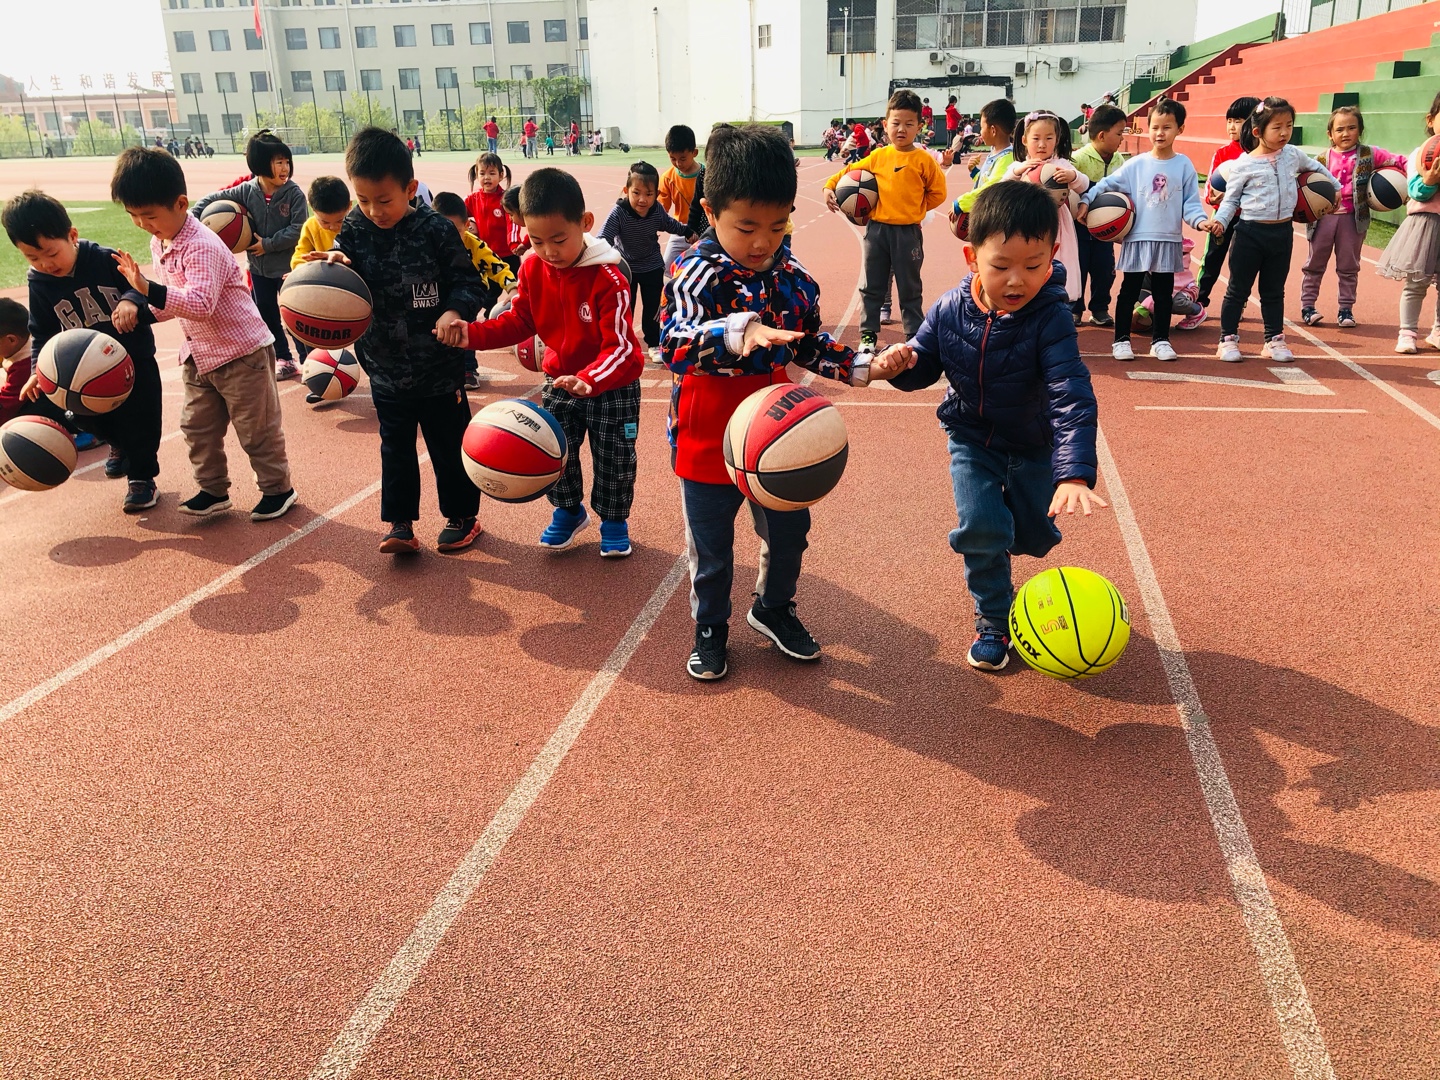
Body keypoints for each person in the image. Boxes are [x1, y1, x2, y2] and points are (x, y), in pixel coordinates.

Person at [663, 123, 908, 681]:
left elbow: (811, 344)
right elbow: (673, 342)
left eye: (778, 226)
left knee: (789, 534)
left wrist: (865, 366)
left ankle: (772, 607)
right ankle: (710, 626)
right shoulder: (693, 271)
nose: (762, 242)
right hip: (706, 436)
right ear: (711, 211)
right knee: (711, 548)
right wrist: (737, 332)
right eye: (746, 227)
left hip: (776, 435)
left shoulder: (794, 278)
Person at [877, 181, 1104, 672]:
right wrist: (900, 365)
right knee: (982, 529)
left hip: (1033, 444)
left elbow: (1070, 392)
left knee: (1031, 537)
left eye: (1033, 265)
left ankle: (1014, 540)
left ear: (1053, 257)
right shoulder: (949, 308)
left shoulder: (1052, 318)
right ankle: (995, 621)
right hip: (972, 437)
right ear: (971, 258)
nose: (1016, 280)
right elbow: (922, 363)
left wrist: (1073, 473)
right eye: (1001, 266)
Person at [442, 167, 644, 558]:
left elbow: (620, 347)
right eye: (537, 240)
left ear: (585, 223)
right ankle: (568, 512)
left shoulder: (609, 277)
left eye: (558, 239)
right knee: (553, 450)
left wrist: (590, 379)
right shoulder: (533, 267)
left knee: (616, 458)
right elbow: (520, 320)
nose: (549, 250)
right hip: (560, 380)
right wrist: (473, 334)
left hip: (612, 384)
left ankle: (614, 521)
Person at [305, 127, 485, 554]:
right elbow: (344, 263)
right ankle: (399, 524)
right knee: (396, 448)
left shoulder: (436, 229)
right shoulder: (355, 227)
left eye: (384, 200)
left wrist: (454, 310)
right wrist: (337, 262)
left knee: (448, 447)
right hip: (384, 366)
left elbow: (470, 283)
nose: (374, 211)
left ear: (409, 188)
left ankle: (463, 517)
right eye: (363, 200)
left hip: (439, 368)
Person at [109, 146, 297, 522]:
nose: (142, 224)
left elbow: (199, 304)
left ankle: (278, 490)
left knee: (256, 430)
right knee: (196, 427)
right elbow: (174, 302)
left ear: (181, 204)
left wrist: (146, 289)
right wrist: (139, 313)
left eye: (150, 215)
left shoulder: (202, 245)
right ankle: (213, 489)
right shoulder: (160, 241)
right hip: (200, 355)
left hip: (242, 353)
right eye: (133, 215)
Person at [2, 191, 165, 509]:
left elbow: (138, 286)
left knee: (142, 424)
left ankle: (142, 479)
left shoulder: (104, 259)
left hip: (133, 361)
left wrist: (130, 300)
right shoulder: (40, 282)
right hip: (80, 372)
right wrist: (37, 370)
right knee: (83, 416)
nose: (45, 264)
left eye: (51, 253)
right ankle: (116, 444)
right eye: (33, 258)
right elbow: (42, 332)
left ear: (72, 236)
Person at [1078, 99, 1221, 362]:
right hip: (1138, 239)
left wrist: (1201, 222)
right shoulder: (1136, 164)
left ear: (1180, 129)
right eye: (1155, 127)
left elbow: (1190, 204)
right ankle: (1121, 340)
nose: (1159, 133)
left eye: (1167, 127)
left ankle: (1161, 341)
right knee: (1129, 291)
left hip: (1168, 239)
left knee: (1163, 294)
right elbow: (1106, 184)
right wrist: (1087, 201)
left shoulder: (1184, 166)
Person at [824, 90, 951, 350]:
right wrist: (829, 186)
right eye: (896, 123)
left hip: (908, 233)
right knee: (872, 285)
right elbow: (849, 171)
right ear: (885, 124)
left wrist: (914, 207)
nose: (901, 129)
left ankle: (914, 335)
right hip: (876, 232)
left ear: (919, 126)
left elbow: (938, 193)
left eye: (909, 123)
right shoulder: (878, 157)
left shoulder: (923, 160)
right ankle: (868, 334)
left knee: (910, 286)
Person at [1213, 97, 1337, 362]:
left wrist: (1335, 188)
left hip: (1281, 234)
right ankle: (1227, 339)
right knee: (1237, 290)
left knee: (1273, 291)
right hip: (1249, 234)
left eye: (1289, 125)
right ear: (1258, 131)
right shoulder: (1243, 164)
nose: (1284, 132)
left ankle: (1273, 340)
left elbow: (1316, 167)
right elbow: (1231, 200)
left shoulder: (1292, 155)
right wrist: (1221, 222)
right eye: (1277, 127)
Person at [192, 130, 309, 378]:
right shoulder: (246, 191)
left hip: (289, 269)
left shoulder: (294, 194)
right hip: (258, 270)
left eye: (287, 162)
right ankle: (284, 358)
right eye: (279, 162)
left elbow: (299, 229)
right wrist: (191, 218)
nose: (285, 168)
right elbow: (210, 199)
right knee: (267, 314)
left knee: (296, 315)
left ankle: (309, 361)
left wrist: (268, 244)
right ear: (260, 165)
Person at [1300, 106, 1407, 328]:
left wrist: (1410, 179)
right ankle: (1308, 306)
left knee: (1349, 266)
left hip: (1353, 220)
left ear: (1360, 130)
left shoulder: (1369, 154)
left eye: (1351, 128)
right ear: (1330, 134)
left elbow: (1398, 160)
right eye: (1339, 129)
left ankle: (1346, 309)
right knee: (1314, 263)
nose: (1346, 133)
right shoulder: (1320, 160)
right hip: (1322, 220)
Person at [599, 161, 692, 359]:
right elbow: (604, 238)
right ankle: (624, 342)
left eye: (649, 194)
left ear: (656, 194)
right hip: (626, 267)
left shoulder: (656, 210)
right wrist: (601, 258)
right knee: (625, 306)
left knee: (653, 306)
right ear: (626, 191)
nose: (642, 199)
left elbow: (670, 224)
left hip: (652, 265)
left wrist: (688, 232)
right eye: (636, 193)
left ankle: (653, 342)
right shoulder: (619, 213)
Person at [432, 190, 516, 389]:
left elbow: (497, 266)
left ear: (467, 225)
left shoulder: (475, 246)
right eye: (443, 231)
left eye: (455, 231)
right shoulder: (428, 243)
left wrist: (512, 288)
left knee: (464, 328)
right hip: (438, 296)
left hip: (469, 296)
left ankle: (468, 369)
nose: (449, 238)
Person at [1004, 110, 1089, 305]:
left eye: (1049, 138)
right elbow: (1002, 186)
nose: (1042, 144)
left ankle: (1060, 302)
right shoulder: (1020, 166)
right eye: (1036, 138)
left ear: (1057, 140)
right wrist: (1017, 172)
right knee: (1030, 261)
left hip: (1057, 224)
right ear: (1024, 140)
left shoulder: (1061, 164)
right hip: (1027, 224)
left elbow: (1083, 185)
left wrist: (1073, 177)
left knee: (1059, 259)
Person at [1379, 91, 1440, 353]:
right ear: (1430, 120)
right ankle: (1407, 332)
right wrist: (1429, 180)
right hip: (1425, 224)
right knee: (1416, 283)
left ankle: (1437, 331)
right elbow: (1415, 192)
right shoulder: (1420, 154)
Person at [1196, 96, 1261, 310]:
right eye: (1229, 121)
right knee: (1211, 260)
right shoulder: (1222, 153)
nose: (1232, 126)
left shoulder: (1259, 155)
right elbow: (1210, 186)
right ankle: (1199, 300)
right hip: (1222, 218)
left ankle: (1238, 302)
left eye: (1238, 121)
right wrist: (1212, 198)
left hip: (1249, 218)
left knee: (1241, 263)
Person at [1069, 103, 1129, 328]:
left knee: (1104, 270)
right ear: (1102, 135)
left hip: (1105, 229)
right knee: (1078, 268)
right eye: (1119, 133)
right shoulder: (1078, 159)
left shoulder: (1119, 161)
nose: (1122, 138)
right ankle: (1074, 309)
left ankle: (1100, 308)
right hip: (1079, 227)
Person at [658, 124, 703, 273]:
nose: (678, 163)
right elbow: (661, 208)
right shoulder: (667, 178)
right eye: (673, 159)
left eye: (683, 158)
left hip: (704, 230)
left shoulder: (706, 175)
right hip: (680, 231)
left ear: (694, 152)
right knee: (666, 269)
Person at [464, 151, 516, 273]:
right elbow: (458, 214)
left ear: (501, 175)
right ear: (477, 175)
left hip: (507, 254)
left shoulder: (505, 200)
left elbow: (512, 222)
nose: (486, 177)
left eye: (492, 173)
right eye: (482, 173)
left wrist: (514, 243)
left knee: (514, 283)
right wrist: (468, 225)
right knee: (486, 285)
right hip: (484, 254)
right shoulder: (472, 199)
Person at [291, 175, 351, 269]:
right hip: (320, 273)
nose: (333, 227)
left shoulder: (356, 226)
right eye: (325, 222)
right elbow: (300, 255)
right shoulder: (311, 226)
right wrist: (301, 270)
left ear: (349, 206)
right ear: (312, 209)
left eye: (340, 221)